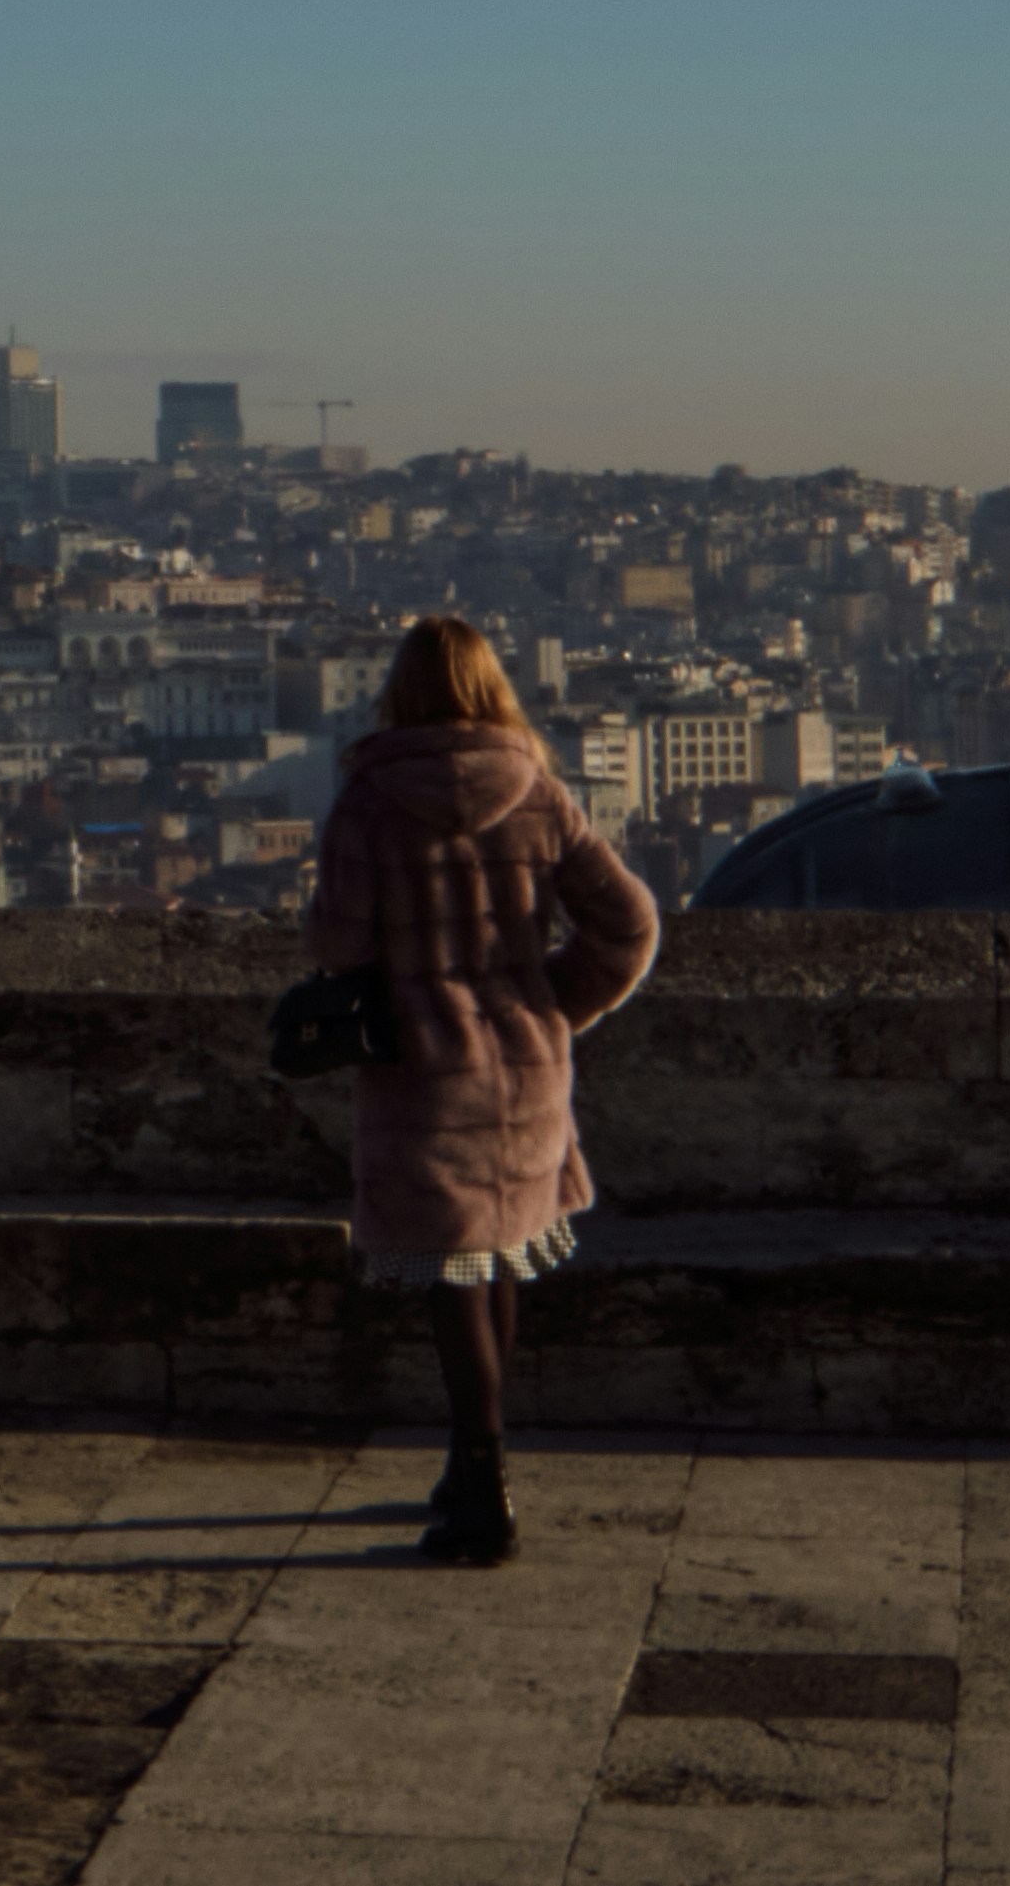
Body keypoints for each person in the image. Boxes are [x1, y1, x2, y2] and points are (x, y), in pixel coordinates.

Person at [300, 614, 659, 1563]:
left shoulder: (369, 805)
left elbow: (336, 947)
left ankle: (482, 1474)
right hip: (524, 1064)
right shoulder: (537, 792)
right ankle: (471, 1469)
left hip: (423, 1069)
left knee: (453, 1271)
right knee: (495, 1257)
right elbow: (628, 925)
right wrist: (554, 1003)